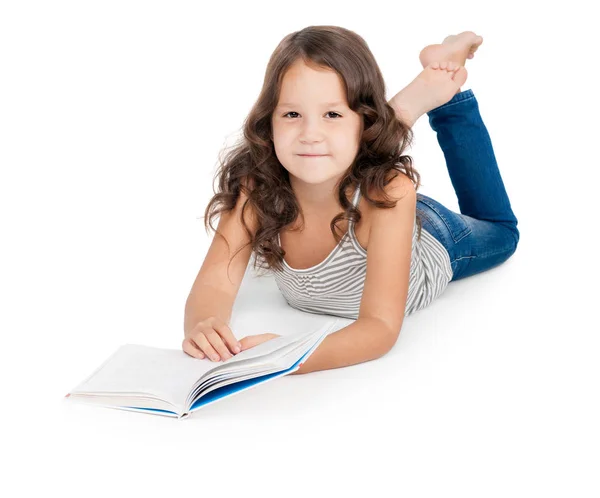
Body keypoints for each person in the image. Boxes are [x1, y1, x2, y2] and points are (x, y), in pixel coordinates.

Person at [182, 27, 519, 375]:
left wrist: (289, 355)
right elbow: (215, 283)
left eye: (332, 114)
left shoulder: (391, 193)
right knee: (337, 148)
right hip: (353, 176)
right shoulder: (256, 188)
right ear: (268, 123)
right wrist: (203, 323)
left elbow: (379, 328)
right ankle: (392, 115)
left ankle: (446, 102)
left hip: (431, 233)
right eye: (292, 115)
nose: (309, 134)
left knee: (503, 232)